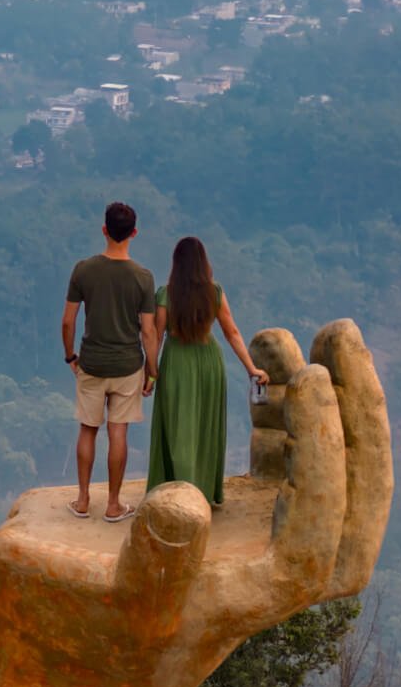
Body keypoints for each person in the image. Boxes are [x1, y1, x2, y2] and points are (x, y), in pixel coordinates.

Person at [147, 235, 265, 508]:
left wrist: (150, 372)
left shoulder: (166, 294)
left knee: (178, 427)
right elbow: (231, 332)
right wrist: (252, 369)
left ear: (176, 264)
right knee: (204, 426)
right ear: (203, 264)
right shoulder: (214, 293)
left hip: (177, 363)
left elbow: (157, 335)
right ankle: (200, 491)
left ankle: (175, 492)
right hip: (209, 363)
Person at [62, 200, 158, 522]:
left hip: (91, 362)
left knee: (88, 429)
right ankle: (114, 505)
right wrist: (152, 371)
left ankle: (83, 500)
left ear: (104, 230)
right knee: (118, 432)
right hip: (128, 364)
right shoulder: (143, 277)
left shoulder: (83, 270)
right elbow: (148, 331)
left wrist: (70, 356)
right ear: (134, 233)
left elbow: (68, 321)